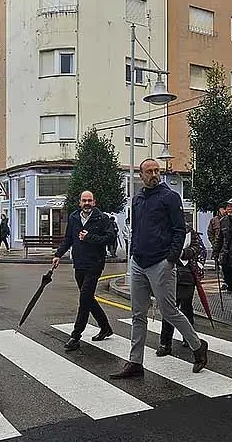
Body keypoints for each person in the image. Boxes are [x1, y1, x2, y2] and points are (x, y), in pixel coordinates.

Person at [110, 159, 208, 379]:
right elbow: (136, 229)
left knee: (169, 311)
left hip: (161, 263)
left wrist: (171, 260)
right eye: (149, 171)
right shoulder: (137, 200)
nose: (153, 174)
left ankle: (198, 345)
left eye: (156, 171)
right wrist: (133, 252)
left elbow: (178, 230)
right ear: (141, 176)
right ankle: (135, 362)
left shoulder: (170, 197)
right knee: (138, 314)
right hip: (139, 263)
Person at [52, 191, 115, 351]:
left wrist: (89, 237)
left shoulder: (102, 218)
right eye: (84, 200)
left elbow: (110, 238)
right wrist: (58, 254)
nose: (87, 203)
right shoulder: (74, 218)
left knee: (84, 299)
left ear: (94, 202)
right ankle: (105, 327)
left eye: (90, 200)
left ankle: (75, 336)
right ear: (80, 202)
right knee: (88, 299)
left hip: (95, 263)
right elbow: (68, 239)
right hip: (79, 263)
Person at [156, 215, 206, 356]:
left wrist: (184, 253)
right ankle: (165, 343)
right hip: (168, 272)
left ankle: (188, 338)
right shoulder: (163, 230)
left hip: (186, 274)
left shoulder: (190, 231)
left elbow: (198, 249)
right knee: (169, 309)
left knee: (186, 306)